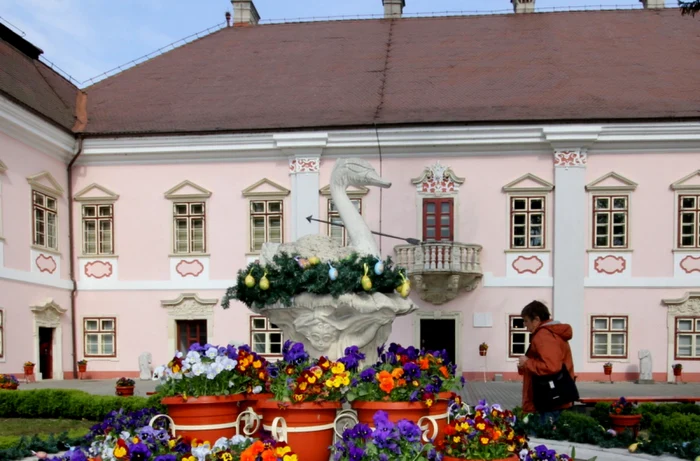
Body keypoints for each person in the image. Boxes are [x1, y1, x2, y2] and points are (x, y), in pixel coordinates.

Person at [517, 300, 575, 425]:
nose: (524, 325)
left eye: (526, 320)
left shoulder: (544, 335)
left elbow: (551, 366)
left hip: (549, 398)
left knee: (543, 438)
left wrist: (527, 363)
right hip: (555, 396)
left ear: (536, 319)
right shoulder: (550, 332)